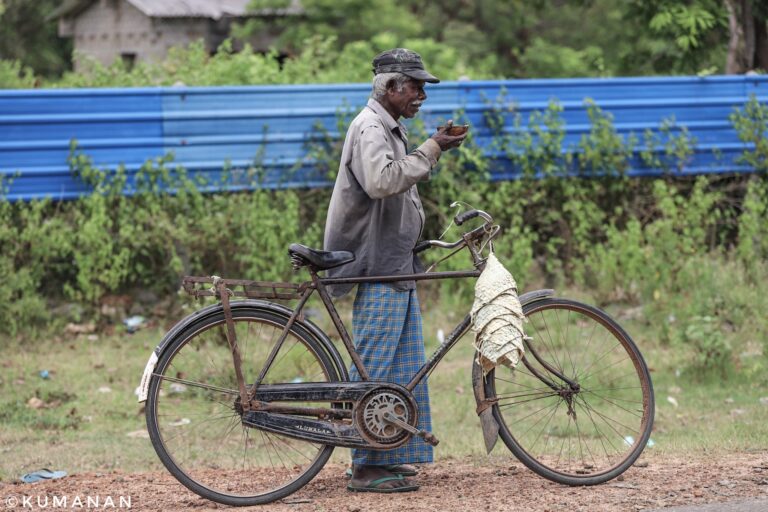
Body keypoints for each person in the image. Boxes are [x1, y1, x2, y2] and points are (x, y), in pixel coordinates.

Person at [323, 48, 467, 493]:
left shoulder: (390, 127)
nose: (421, 94)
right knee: (376, 364)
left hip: (396, 260)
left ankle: (389, 453)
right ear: (390, 87)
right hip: (376, 263)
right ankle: (366, 466)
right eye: (415, 85)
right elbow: (382, 181)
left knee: (402, 364)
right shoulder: (369, 127)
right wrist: (433, 147)